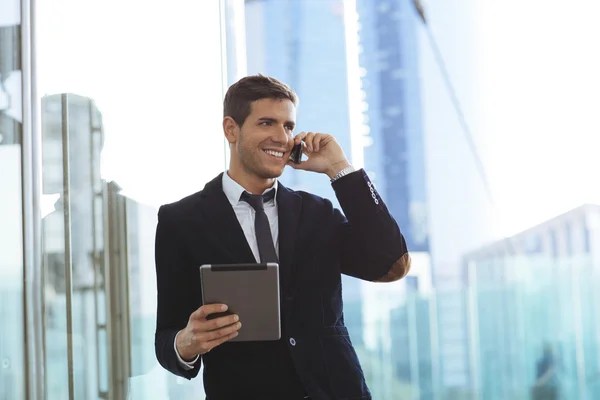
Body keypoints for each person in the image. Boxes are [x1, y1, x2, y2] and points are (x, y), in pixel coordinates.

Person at [154, 74, 411, 399]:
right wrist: (187, 341)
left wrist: (339, 169)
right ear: (231, 129)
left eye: (288, 126)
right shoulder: (181, 221)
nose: (282, 137)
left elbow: (390, 263)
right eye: (267, 123)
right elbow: (166, 338)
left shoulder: (317, 214)